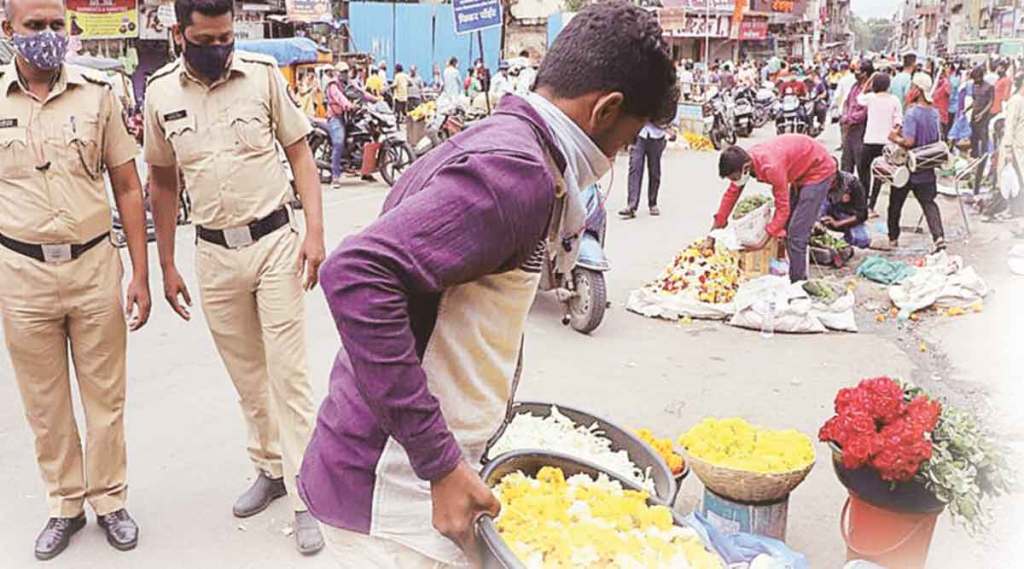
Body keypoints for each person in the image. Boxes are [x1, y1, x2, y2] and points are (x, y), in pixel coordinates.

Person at [297, 3, 679, 567]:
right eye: (623, 143)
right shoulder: (517, 172)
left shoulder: (513, 144)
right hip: (391, 493)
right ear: (606, 110)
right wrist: (441, 464)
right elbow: (356, 274)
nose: (615, 158)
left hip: (411, 474)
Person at [143, 0, 326, 554]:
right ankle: (270, 468)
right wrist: (167, 263)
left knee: (288, 376)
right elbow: (163, 182)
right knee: (248, 375)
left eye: (225, 36)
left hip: (274, 244)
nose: (218, 47)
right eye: (206, 39)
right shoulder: (159, 94)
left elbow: (301, 156)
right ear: (181, 34)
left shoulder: (263, 77)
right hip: (216, 256)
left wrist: (315, 234)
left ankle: (307, 495)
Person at [0, 0, 151, 559]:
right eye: (34, 26)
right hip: (20, 273)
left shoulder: (97, 94)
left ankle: (110, 499)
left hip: (92, 268)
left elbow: (128, 187)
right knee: (45, 404)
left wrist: (140, 272)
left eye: (55, 25)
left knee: (104, 398)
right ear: (7, 29)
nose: (46, 35)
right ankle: (65, 504)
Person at [711, 134, 838, 283]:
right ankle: (787, 269)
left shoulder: (771, 167)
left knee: (796, 235)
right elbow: (731, 194)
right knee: (785, 231)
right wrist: (714, 231)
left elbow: (782, 210)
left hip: (818, 170)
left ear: (745, 168)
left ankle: (798, 284)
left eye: (733, 178)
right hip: (800, 169)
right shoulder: (744, 161)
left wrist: (763, 239)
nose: (733, 182)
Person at [887, 73, 946, 252]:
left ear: (918, 90)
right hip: (926, 166)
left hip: (909, 168)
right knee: (929, 203)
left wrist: (894, 137)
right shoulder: (934, 113)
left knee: (895, 203)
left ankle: (893, 238)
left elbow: (909, 141)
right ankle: (939, 237)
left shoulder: (912, 113)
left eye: (912, 87)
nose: (910, 90)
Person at [857, 72, 903, 214]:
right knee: (879, 174)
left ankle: (863, 203)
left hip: (870, 140)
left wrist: (868, 81)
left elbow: (859, 98)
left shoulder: (871, 98)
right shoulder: (894, 100)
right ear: (888, 85)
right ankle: (872, 206)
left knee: (863, 172)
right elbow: (898, 121)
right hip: (886, 143)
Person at [992, 72, 1024, 221]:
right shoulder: (1016, 101)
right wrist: (1008, 149)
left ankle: (1015, 209)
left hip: (1020, 147)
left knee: (1018, 180)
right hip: (1014, 148)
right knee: (1013, 180)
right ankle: (1010, 209)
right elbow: (1010, 126)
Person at [619, 122, 667, 219]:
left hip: (657, 135)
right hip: (639, 133)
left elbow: (671, 111)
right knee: (635, 167)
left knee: (654, 171)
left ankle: (653, 203)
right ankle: (631, 206)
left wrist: (673, 127)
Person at [821, 169, 870, 248]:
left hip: (846, 215)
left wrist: (838, 223)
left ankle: (845, 237)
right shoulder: (819, 180)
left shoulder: (852, 183)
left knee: (862, 241)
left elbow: (862, 215)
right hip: (828, 212)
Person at [841, 59, 873, 179]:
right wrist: (844, 116)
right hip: (849, 129)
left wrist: (849, 118)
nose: (855, 73)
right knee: (846, 163)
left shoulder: (870, 89)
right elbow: (847, 102)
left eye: (858, 71)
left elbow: (865, 112)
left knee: (861, 165)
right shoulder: (855, 86)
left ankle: (863, 194)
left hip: (861, 130)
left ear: (865, 73)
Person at [325, 63, 355, 188]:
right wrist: (348, 105)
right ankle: (335, 176)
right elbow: (339, 98)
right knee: (339, 142)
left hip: (347, 117)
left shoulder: (349, 84)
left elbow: (361, 92)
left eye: (346, 71)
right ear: (337, 73)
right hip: (335, 118)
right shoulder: (333, 85)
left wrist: (376, 99)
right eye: (342, 72)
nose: (345, 74)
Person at [968, 64, 995, 194]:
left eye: (977, 79)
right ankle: (974, 161)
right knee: (973, 142)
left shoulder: (989, 87)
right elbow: (974, 101)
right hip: (974, 117)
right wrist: (968, 109)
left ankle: (981, 168)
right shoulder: (974, 86)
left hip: (983, 120)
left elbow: (990, 103)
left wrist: (982, 114)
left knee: (983, 146)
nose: (975, 81)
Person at [932, 64, 952, 139]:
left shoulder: (945, 83)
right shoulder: (936, 84)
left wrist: (947, 78)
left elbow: (949, 92)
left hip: (941, 115)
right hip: (937, 115)